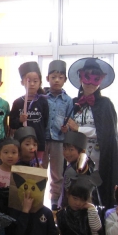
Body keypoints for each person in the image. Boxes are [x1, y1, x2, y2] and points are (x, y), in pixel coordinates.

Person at [65, 57, 118, 208]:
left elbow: (106, 133)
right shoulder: (73, 103)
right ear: (80, 78)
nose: (90, 83)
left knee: (96, 195)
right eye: (87, 77)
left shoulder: (105, 104)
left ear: (100, 81)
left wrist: (79, 129)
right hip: (76, 158)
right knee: (76, 193)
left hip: (98, 159)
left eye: (95, 79)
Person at [43, 60, 73, 209]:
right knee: (39, 171)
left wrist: (67, 128)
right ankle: (38, 199)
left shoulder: (68, 100)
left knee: (57, 174)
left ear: (65, 80)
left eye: (60, 77)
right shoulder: (42, 97)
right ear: (47, 78)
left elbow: (70, 120)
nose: (56, 80)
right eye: (53, 77)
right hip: (42, 140)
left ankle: (55, 202)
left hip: (59, 140)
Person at [9, 62, 49, 162]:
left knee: (36, 167)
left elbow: (45, 122)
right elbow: (11, 123)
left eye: (35, 81)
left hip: (38, 143)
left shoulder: (43, 102)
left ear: (40, 82)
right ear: (22, 82)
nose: (32, 84)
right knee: (20, 168)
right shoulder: (17, 102)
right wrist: (19, 120)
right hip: (20, 145)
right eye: (28, 81)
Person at [58, 131, 96, 209]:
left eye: (71, 150)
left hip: (79, 206)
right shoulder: (71, 164)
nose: (66, 153)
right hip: (68, 205)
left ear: (82, 151)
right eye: (64, 149)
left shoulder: (85, 165)